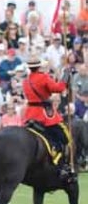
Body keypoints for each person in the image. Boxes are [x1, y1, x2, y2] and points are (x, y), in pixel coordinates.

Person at [22, 55, 75, 183]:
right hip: (44, 114)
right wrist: (65, 76)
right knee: (65, 137)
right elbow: (59, 88)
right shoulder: (44, 77)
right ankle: (62, 166)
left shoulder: (26, 81)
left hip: (30, 114)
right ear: (39, 66)